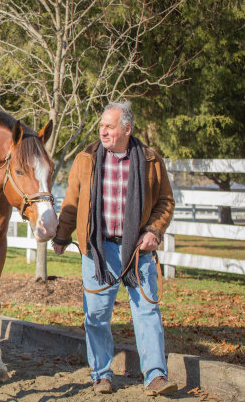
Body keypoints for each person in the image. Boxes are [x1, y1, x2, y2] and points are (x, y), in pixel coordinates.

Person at [52, 101, 178, 396]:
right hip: (98, 249)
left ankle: (156, 377)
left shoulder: (150, 159)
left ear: (127, 129)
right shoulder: (87, 158)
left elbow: (165, 202)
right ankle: (102, 374)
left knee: (147, 311)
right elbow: (72, 201)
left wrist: (153, 231)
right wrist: (61, 235)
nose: (103, 131)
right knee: (95, 316)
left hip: (137, 251)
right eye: (101, 126)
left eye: (109, 126)